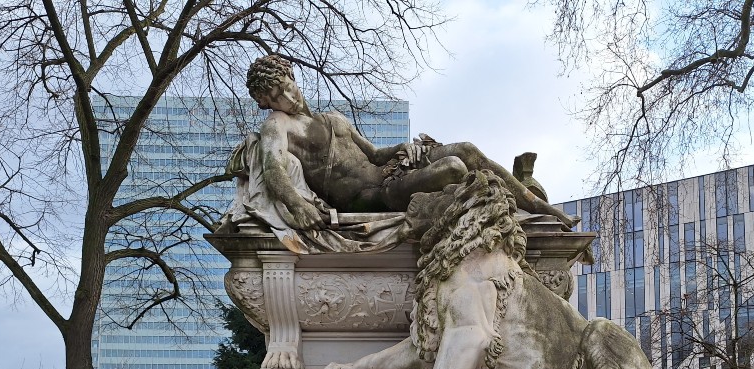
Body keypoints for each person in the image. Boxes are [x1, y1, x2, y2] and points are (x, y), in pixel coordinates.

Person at [240, 54, 579, 234]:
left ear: (293, 78)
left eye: (287, 86)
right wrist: (300, 207)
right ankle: (489, 214)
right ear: (266, 103)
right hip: (370, 199)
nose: (287, 97)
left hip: (389, 172)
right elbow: (273, 170)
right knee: (453, 168)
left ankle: (538, 207)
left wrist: (404, 148)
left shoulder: (334, 119)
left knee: (467, 150)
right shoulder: (277, 126)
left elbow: (374, 154)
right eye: (276, 97)